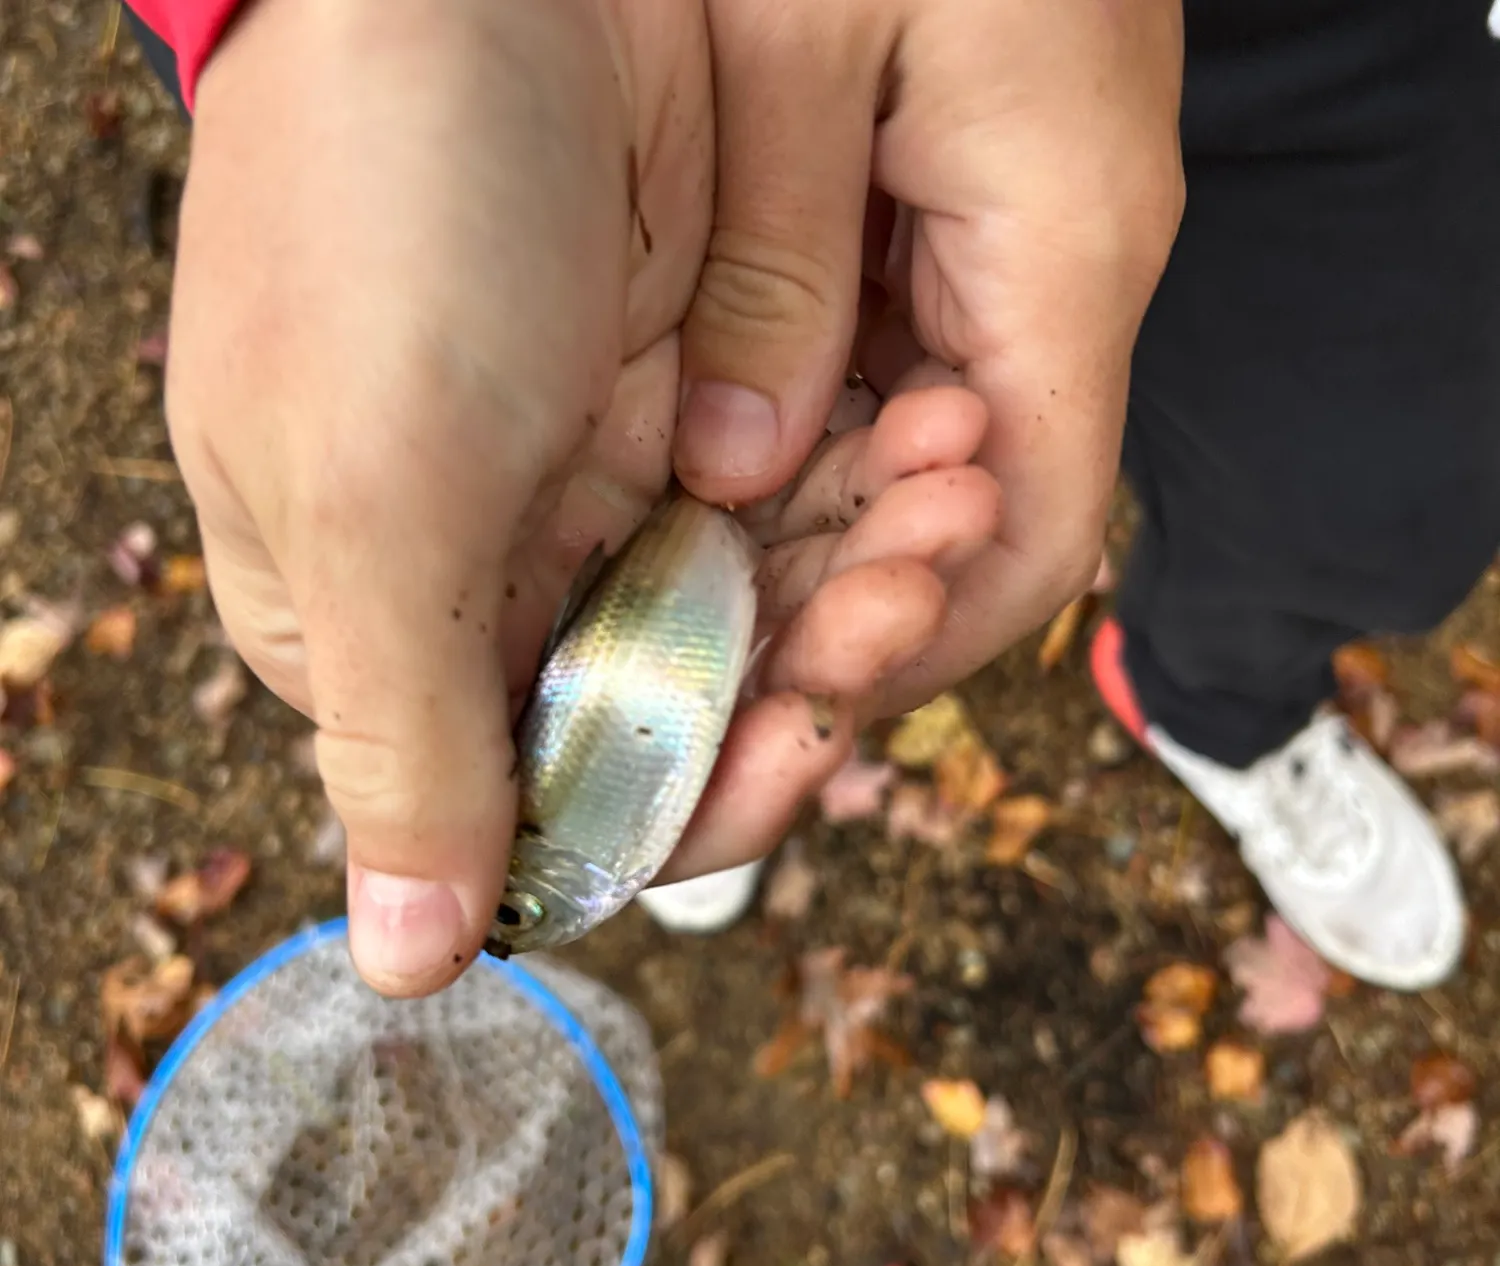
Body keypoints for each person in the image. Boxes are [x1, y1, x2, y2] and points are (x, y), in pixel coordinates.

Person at [119, 0, 1496, 1012]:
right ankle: (694, 741)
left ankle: (1215, 702)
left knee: (1385, 486)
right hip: (484, 78)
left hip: (1333, 41)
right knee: (573, 469)